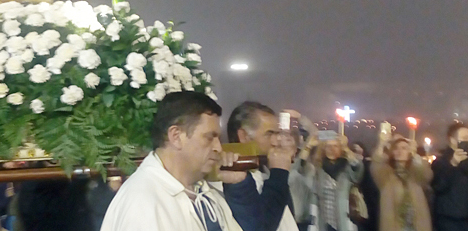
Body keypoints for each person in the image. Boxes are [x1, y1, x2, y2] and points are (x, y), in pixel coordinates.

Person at [100, 91, 245, 231]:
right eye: (209, 137)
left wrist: (238, 188)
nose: (218, 148)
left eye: (218, 138)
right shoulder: (142, 204)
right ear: (176, 136)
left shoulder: (204, 193)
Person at [223, 101, 297, 231]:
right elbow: (263, 225)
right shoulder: (231, 183)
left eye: (277, 134)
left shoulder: (263, 173)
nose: (277, 141)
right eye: (270, 134)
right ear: (244, 136)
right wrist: (279, 173)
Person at [370, 133, 432, 231]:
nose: (400, 151)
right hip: (395, 224)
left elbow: (426, 175)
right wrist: (382, 144)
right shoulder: (386, 174)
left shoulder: (414, 173)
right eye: (396, 148)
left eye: (404, 148)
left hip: (416, 224)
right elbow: (376, 164)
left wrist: (415, 154)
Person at [310, 132, 364, 231]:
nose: (331, 149)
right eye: (328, 146)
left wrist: (346, 148)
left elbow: (358, 169)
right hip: (325, 222)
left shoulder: (347, 168)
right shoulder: (319, 169)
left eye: (335, 146)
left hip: (345, 221)